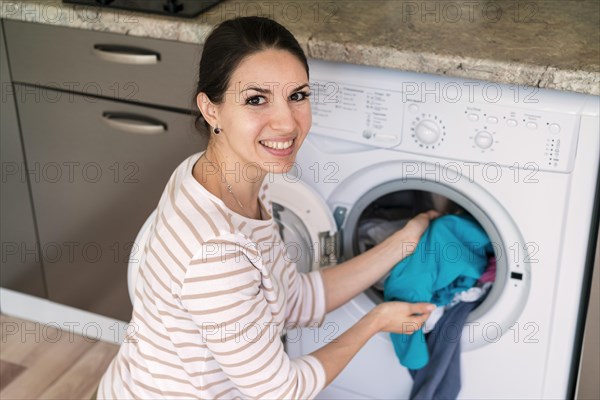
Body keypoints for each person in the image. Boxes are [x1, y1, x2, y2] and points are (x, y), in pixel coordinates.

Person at [96, 16, 438, 399]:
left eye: (298, 96)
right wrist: (375, 320)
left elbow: (293, 299)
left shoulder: (220, 179)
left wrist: (402, 243)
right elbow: (282, 391)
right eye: (256, 100)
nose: (287, 122)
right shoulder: (215, 254)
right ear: (211, 110)